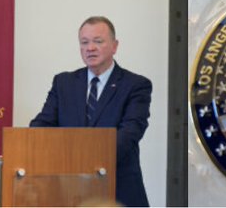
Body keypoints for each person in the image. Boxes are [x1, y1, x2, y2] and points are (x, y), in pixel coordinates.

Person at [30, 16, 152, 207]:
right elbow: (42, 125)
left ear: (115, 46)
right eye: (84, 42)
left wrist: (81, 158)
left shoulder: (135, 85)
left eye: (98, 41)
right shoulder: (64, 83)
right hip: (68, 191)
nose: (90, 48)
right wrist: (26, 145)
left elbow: (130, 133)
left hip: (118, 189)